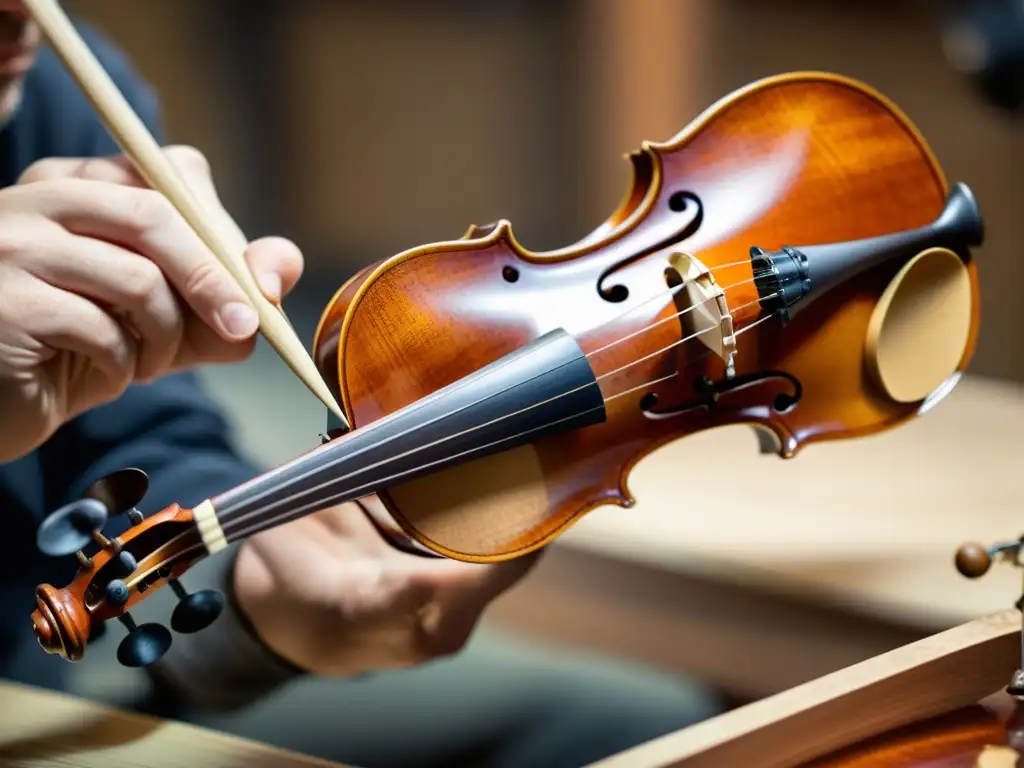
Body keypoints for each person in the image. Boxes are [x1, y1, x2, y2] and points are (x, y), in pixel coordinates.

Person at [0, 5, 723, 767]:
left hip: (53, 659)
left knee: (643, 728)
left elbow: (139, 448)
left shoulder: (54, 83)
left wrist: (260, 598)